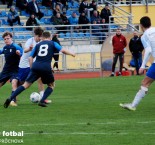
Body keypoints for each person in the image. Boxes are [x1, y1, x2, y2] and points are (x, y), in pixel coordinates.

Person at [4, 31, 75, 108]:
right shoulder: (53, 43)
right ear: (50, 37)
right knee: (51, 85)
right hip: (45, 67)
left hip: (35, 66)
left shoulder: (37, 45)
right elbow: (63, 50)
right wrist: (71, 53)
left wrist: (31, 68)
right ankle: (42, 101)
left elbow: (30, 57)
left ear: (43, 37)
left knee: (25, 85)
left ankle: (11, 98)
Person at [120, 16, 155, 111]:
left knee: (145, 83)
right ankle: (133, 105)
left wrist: (142, 66)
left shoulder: (144, 36)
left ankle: (133, 105)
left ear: (141, 25)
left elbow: (148, 51)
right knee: (145, 82)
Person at [10, 27, 51, 106]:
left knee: (40, 79)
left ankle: (43, 98)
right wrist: (29, 49)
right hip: (24, 66)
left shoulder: (40, 43)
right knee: (21, 84)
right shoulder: (30, 41)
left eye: (41, 36)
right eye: (39, 36)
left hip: (33, 64)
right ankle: (13, 99)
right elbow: (24, 50)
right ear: (35, 35)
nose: (40, 38)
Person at [0, 32, 23, 102]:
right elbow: (1, 51)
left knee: (14, 83)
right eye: (5, 39)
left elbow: (23, 56)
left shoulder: (16, 47)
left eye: (8, 38)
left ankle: (13, 100)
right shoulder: (5, 48)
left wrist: (20, 54)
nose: (6, 40)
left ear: (11, 38)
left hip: (15, 70)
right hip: (6, 70)